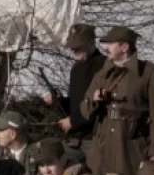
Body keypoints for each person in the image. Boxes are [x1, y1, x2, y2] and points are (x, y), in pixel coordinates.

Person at [81, 26, 154, 175]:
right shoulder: (102, 74)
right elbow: (85, 111)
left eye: (111, 44)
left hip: (131, 151)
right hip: (102, 150)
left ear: (124, 47)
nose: (106, 48)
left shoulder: (149, 73)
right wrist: (94, 100)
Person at [42, 24, 106, 155]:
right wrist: (56, 101)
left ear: (91, 43)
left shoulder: (103, 66)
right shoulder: (76, 69)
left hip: (95, 138)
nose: (74, 50)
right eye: (72, 47)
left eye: (78, 47)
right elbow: (76, 103)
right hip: (75, 138)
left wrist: (73, 122)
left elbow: (100, 104)